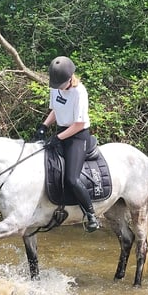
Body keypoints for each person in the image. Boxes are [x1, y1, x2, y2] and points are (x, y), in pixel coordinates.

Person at [34, 56, 100, 232]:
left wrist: (58, 138)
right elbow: (55, 109)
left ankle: (91, 214)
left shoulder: (80, 92)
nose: (59, 89)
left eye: (61, 85)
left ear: (71, 78)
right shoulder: (56, 88)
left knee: (71, 178)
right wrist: (44, 125)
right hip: (62, 131)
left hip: (78, 136)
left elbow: (78, 124)